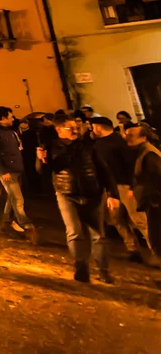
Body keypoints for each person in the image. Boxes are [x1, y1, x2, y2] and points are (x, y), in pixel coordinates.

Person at [38, 114, 118, 283]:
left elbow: (104, 170)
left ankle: (103, 270)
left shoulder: (88, 146)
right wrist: (41, 160)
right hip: (67, 193)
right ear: (59, 130)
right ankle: (81, 266)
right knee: (75, 231)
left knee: (98, 235)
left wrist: (112, 194)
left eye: (77, 127)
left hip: (93, 193)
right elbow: (45, 171)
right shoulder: (51, 147)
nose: (75, 131)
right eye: (70, 128)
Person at [91, 116, 154, 263]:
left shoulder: (119, 143)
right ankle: (132, 249)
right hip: (110, 188)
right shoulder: (97, 144)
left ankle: (156, 250)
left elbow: (131, 166)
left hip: (124, 186)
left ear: (99, 127)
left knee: (139, 220)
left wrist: (132, 186)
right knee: (117, 219)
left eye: (93, 127)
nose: (91, 130)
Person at [0, 107, 39, 243]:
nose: (13, 119)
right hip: (7, 171)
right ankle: (27, 226)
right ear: (3, 118)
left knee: (12, 198)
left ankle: (5, 225)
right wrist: (3, 171)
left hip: (16, 169)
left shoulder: (9, 131)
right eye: (11, 117)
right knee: (18, 199)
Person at [126, 124, 161, 260]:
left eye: (131, 135)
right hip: (152, 200)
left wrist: (154, 200)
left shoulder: (149, 154)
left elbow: (157, 177)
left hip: (155, 201)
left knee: (156, 235)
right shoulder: (142, 151)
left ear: (143, 137)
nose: (127, 138)